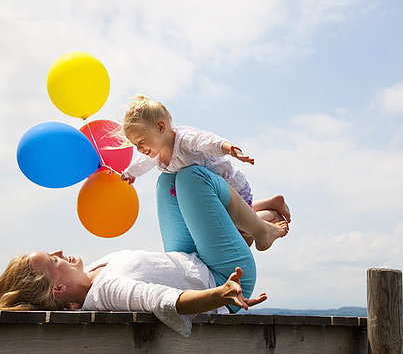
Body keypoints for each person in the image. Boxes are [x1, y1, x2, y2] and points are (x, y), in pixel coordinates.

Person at [0, 166, 284, 336]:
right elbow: (164, 301)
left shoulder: (96, 269)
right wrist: (220, 294)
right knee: (191, 178)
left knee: (168, 182)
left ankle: (251, 224)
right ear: (59, 288)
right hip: (220, 276)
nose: (60, 250)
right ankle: (261, 231)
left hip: (191, 258)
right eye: (53, 259)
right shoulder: (108, 290)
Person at [121, 94, 291, 249]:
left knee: (242, 232)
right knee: (230, 222)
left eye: (141, 142)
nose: (139, 149)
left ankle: (270, 215)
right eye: (135, 145)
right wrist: (130, 173)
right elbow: (142, 162)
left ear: (160, 127)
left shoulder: (184, 139)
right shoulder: (155, 153)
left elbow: (207, 141)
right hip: (212, 193)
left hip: (230, 186)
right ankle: (272, 202)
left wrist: (229, 148)